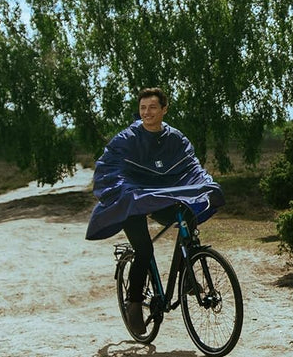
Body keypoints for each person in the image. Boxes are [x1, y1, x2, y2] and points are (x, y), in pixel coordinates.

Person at [86, 88, 224, 337]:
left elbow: (192, 166)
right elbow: (109, 168)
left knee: (187, 216)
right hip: (133, 201)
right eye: (143, 108)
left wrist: (206, 183)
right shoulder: (127, 138)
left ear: (164, 109)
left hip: (162, 197)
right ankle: (134, 302)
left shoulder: (176, 139)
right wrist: (125, 192)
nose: (147, 112)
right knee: (144, 249)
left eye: (152, 107)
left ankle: (187, 274)